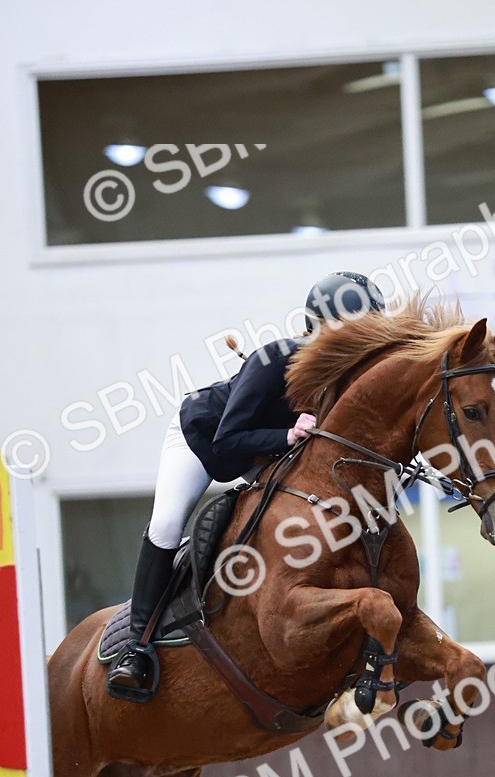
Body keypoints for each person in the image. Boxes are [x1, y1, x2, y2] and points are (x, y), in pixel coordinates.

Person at [107, 271, 386, 700]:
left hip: (265, 456)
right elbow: (227, 439)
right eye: (359, 331)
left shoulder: (345, 377)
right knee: (165, 525)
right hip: (202, 440)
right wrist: (287, 435)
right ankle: (137, 648)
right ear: (326, 326)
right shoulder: (272, 358)